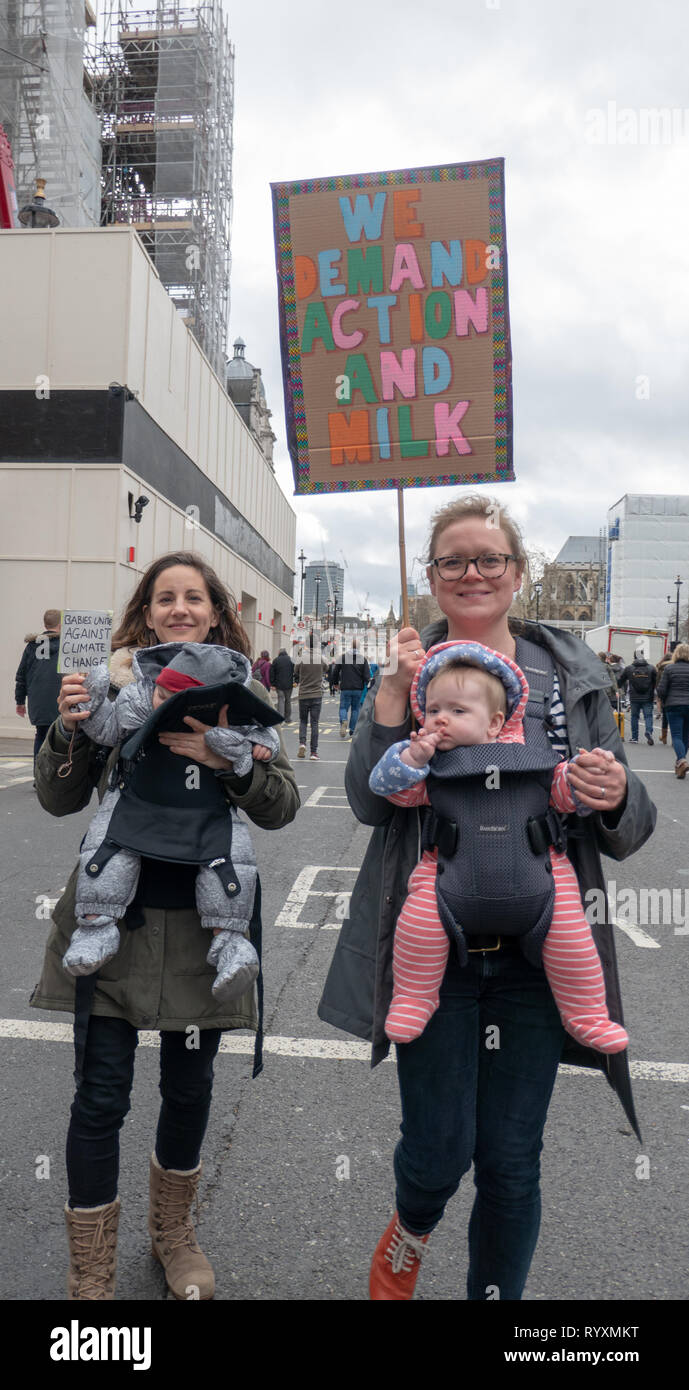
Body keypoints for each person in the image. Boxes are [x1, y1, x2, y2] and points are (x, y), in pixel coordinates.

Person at [318, 493, 656, 1302]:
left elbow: (627, 824)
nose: (471, 573)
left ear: (516, 572)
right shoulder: (408, 667)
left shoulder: (572, 675)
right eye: (451, 561)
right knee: (436, 1150)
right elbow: (370, 802)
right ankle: (409, 1228)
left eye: (488, 558)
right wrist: (391, 707)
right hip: (433, 942)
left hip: (541, 950)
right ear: (429, 575)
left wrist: (613, 792)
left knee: (510, 1161)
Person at [30, 552, 299, 1301]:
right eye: (163, 599)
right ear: (145, 614)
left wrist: (227, 763)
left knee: (188, 1088)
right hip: (115, 925)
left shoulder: (240, 695)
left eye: (193, 598)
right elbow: (58, 801)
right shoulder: (112, 686)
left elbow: (280, 806)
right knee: (100, 1095)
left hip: (203, 930)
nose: (179, 609)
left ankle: (173, 1238)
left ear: (216, 612)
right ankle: (91, 1267)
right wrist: (71, 726)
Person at [369, 641, 627, 1054]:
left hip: (542, 875)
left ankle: (587, 1013)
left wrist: (588, 776)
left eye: (457, 711)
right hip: (445, 879)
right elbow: (387, 791)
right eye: (433, 710)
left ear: (494, 723)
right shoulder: (432, 765)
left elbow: (564, 794)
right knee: (417, 927)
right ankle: (414, 997)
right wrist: (411, 757)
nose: (440, 721)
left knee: (573, 938)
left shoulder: (534, 758)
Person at [63, 641, 280, 997]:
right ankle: (95, 930)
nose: (164, 706)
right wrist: (90, 701)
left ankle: (229, 943)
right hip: (137, 804)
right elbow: (104, 729)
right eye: (162, 696)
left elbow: (264, 737)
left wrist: (243, 754)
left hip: (207, 814)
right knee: (107, 852)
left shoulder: (236, 705)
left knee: (230, 862)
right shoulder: (137, 697)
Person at [15, 608, 62, 765]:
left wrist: (20, 701)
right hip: (61, 699)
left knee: (41, 735)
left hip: (38, 701)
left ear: (45, 624)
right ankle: (56, 777)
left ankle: (39, 775)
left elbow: (21, 675)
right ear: (61, 624)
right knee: (61, 738)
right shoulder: (66, 645)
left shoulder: (31, 646)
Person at [657, 643, 689, 778]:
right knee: (685, 736)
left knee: (676, 735)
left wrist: (663, 700)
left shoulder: (669, 669)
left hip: (673, 705)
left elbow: (662, 690)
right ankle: (680, 764)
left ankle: (681, 760)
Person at [294, 634, 328, 760]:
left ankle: (302, 743)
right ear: (317, 644)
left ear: (307, 644)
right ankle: (313, 752)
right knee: (314, 723)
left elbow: (295, 671)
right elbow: (327, 668)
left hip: (303, 693)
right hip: (316, 694)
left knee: (303, 721)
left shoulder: (301, 657)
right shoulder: (321, 658)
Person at [333, 639, 371, 738]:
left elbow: (335, 671)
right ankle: (352, 730)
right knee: (355, 709)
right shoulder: (363, 659)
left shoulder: (344, 657)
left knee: (343, 708)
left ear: (350, 646)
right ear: (359, 647)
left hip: (345, 688)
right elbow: (367, 676)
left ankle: (344, 720)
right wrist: (369, 687)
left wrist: (335, 683)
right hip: (358, 689)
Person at [618, 650, 657, 744]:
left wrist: (619, 688)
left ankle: (634, 737)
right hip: (648, 697)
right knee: (648, 716)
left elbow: (620, 681)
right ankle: (649, 732)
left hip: (634, 697)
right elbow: (656, 682)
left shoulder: (629, 668)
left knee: (634, 716)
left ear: (634, 656)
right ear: (644, 656)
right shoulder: (651, 668)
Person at [270, 647, 295, 722]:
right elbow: (296, 671)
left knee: (280, 700)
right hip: (289, 684)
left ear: (279, 653)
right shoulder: (291, 660)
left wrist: (272, 684)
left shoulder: (276, 660)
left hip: (279, 684)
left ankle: (280, 718)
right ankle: (288, 718)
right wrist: (296, 681)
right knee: (288, 700)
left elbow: (272, 673)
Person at [655, 652, 672, 745]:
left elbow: (658, 682)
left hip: (665, 695)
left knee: (665, 716)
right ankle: (675, 738)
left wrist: (660, 694)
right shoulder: (675, 666)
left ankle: (664, 737)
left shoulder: (661, 668)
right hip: (676, 694)